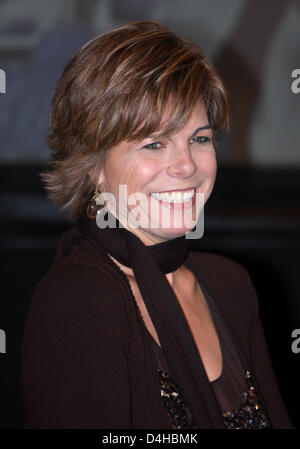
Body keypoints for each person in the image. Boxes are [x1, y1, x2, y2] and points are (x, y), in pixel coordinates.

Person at [20, 20, 293, 429]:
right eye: (154, 143)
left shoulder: (230, 284)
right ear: (92, 165)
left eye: (199, 139)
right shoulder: (80, 299)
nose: (186, 166)